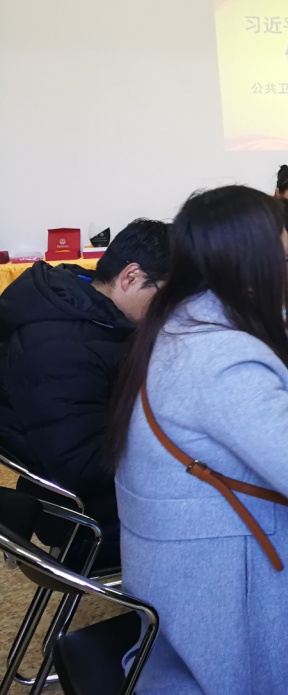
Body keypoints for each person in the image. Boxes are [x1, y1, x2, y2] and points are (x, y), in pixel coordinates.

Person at [107, 186, 288, 695]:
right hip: (228, 581)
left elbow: (237, 390)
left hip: (179, 564)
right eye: (284, 257)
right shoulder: (218, 356)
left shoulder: (182, 319)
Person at [0, 219, 170, 565]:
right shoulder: (59, 347)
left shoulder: (94, 310)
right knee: (232, 513)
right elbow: (83, 465)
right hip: (86, 519)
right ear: (131, 277)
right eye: (168, 297)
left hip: (97, 489)